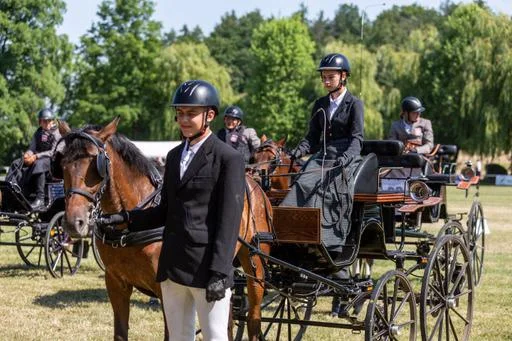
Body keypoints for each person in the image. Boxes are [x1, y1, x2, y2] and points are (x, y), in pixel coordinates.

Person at [99, 80, 246, 341]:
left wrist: (220, 273)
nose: (184, 119)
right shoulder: (175, 155)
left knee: (215, 337)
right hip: (172, 268)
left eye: (191, 113)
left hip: (207, 270)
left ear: (209, 115)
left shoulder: (228, 158)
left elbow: (229, 223)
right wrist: (124, 218)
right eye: (180, 113)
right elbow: (164, 210)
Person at [283, 53, 364, 315]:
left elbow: (357, 139)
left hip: (345, 159)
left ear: (343, 77)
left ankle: (330, 242)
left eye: (331, 75)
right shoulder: (319, 104)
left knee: (328, 191)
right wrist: (297, 151)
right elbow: (312, 138)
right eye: (324, 76)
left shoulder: (354, 104)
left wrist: (346, 158)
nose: (326, 79)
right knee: (302, 183)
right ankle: (287, 231)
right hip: (322, 157)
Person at [22, 108, 61, 209]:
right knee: (17, 163)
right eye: (43, 121)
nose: (46, 123)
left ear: (52, 121)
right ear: (40, 122)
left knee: (39, 164)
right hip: (37, 159)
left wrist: (36, 156)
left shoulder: (57, 133)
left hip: (52, 162)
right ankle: (15, 191)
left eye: (48, 121)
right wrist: (27, 154)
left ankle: (40, 198)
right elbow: (32, 148)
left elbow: (52, 152)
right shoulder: (38, 133)